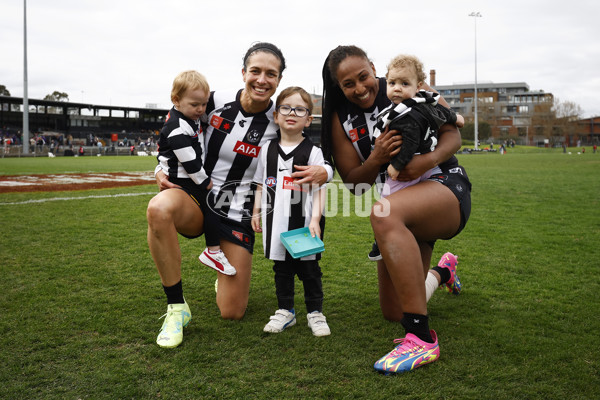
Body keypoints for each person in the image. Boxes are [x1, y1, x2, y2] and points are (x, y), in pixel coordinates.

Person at [148, 42, 330, 349]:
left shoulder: (279, 116)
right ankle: (176, 308)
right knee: (158, 209)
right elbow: (175, 123)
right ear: (243, 72)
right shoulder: (213, 101)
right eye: (255, 71)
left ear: (278, 79)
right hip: (197, 200)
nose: (262, 79)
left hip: (238, 213)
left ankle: (224, 270)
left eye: (270, 74)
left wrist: (325, 171)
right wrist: (158, 168)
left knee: (231, 312)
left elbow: (310, 150)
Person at [321, 45, 471, 374]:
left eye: (364, 77)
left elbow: (453, 136)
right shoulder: (339, 117)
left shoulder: (408, 84)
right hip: (399, 199)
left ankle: (420, 339)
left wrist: (424, 162)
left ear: (374, 68)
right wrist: (375, 158)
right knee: (393, 309)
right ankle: (443, 272)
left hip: (443, 185)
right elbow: (354, 183)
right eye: (348, 84)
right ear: (338, 86)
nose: (360, 88)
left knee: (383, 213)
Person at [251, 87, 330, 337]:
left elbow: (321, 188)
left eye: (299, 109)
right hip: (275, 224)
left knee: (310, 270)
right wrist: (255, 211)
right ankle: (286, 311)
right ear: (276, 116)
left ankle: (315, 312)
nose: (291, 113)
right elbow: (261, 184)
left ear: (308, 119)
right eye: (285, 107)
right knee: (281, 270)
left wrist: (316, 218)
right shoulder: (267, 151)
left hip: (305, 224)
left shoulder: (313, 152)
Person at [156, 70, 236, 278]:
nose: (201, 110)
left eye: (204, 104)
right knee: (214, 204)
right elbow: (189, 161)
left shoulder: (190, 115)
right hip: (183, 179)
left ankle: (216, 248)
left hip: (187, 176)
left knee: (217, 204)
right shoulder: (176, 127)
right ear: (176, 100)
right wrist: (206, 182)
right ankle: (213, 250)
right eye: (195, 105)